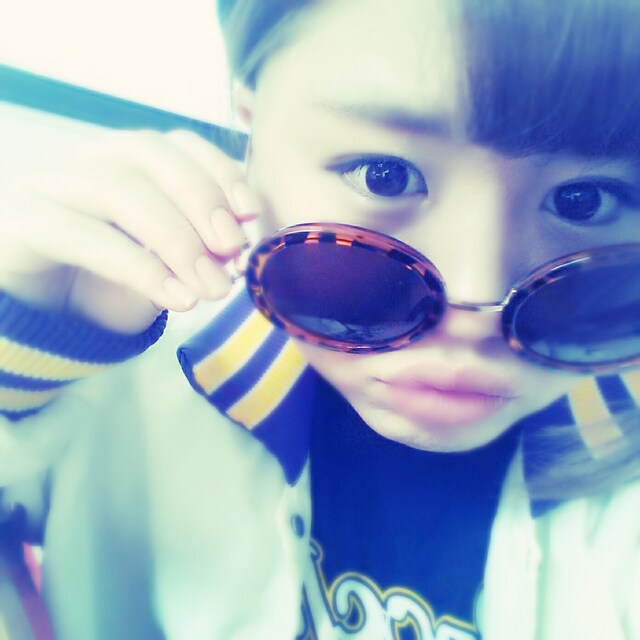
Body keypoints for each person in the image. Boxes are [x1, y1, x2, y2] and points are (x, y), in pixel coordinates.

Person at [1, 0, 640, 637]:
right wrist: (21, 342)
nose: (476, 305)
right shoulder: (126, 364)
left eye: (583, 201)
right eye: (386, 176)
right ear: (252, 132)